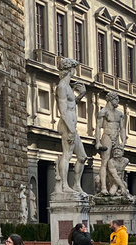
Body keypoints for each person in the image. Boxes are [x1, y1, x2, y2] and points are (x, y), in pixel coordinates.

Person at [55, 58, 87, 194]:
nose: (75, 72)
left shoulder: (68, 87)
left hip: (72, 127)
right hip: (67, 127)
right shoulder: (62, 87)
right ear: (69, 70)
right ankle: (63, 186)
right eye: (74, 69)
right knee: (67, 154)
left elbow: (71, 105)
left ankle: (76, 186)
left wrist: (81, 95)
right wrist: (71, 130)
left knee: (82, 157)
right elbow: (63, 112)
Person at [95, 91, 126, 195]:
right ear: (110, 99)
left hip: (116, 137)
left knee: (116, 161)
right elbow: (98, 127)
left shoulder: (120, 114)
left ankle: (114, 185)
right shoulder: (103, 112)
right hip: (107, 136)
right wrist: (98, 142)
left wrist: (123, 141)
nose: (118, 101)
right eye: (116, 99)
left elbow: (122, 128)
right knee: (104, 162)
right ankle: (103, 187)